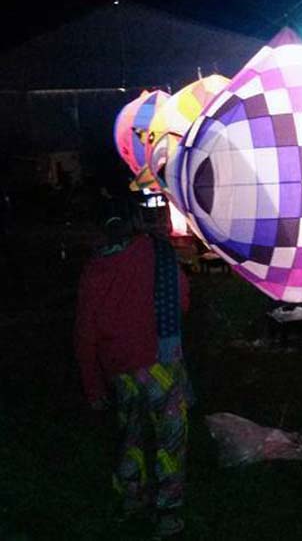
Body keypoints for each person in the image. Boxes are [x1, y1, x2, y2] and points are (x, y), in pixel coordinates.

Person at [74, 214, 190, 538]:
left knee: (130, 435)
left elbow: (85, 336)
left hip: (121, 372)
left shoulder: (94, 272)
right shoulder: (159, 255)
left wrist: (94, 388)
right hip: (161, 365)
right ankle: (167, 513)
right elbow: (181, 300)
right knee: (170, 442)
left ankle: (130, 498)